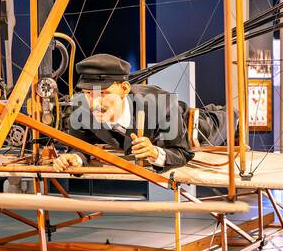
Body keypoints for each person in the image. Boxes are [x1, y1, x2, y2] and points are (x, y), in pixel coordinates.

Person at [50, 53, 195, 173]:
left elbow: (183, 153)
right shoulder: (81, 107)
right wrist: (75, 157)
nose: (94, 104)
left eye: (103, 93)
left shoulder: (161, 103)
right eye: (88, 93)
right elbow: (80, 146)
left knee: (216, 118)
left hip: (194, 126)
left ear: (124, 89)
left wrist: (155, 153)